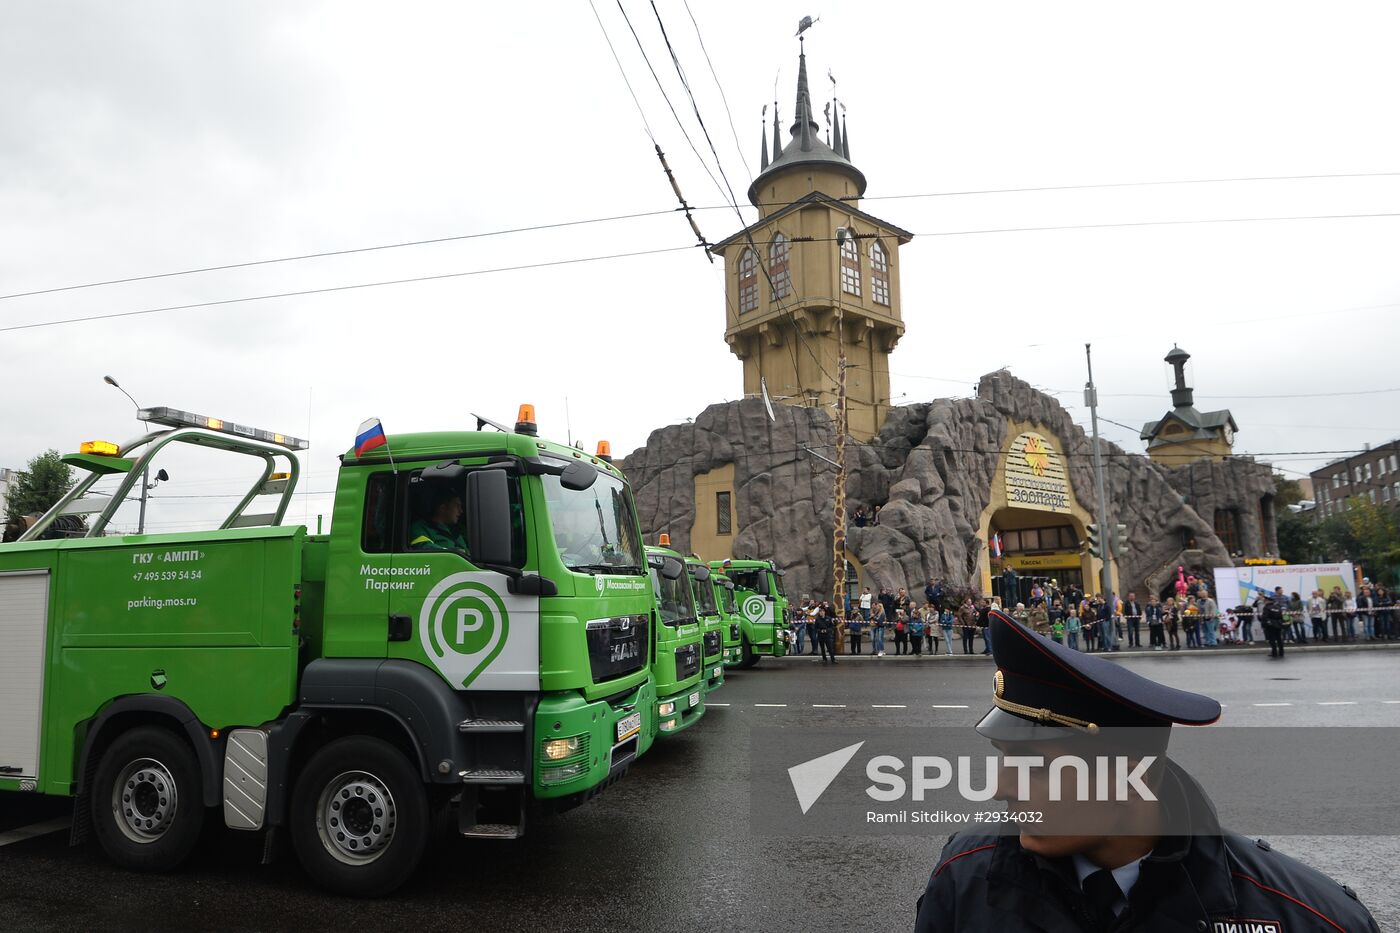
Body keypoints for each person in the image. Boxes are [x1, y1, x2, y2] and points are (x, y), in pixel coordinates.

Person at [912, 610, 1382, 932]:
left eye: (1036, 767)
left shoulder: (1305, 918)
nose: (999, 789)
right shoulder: (964, 876)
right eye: (1005, 757)